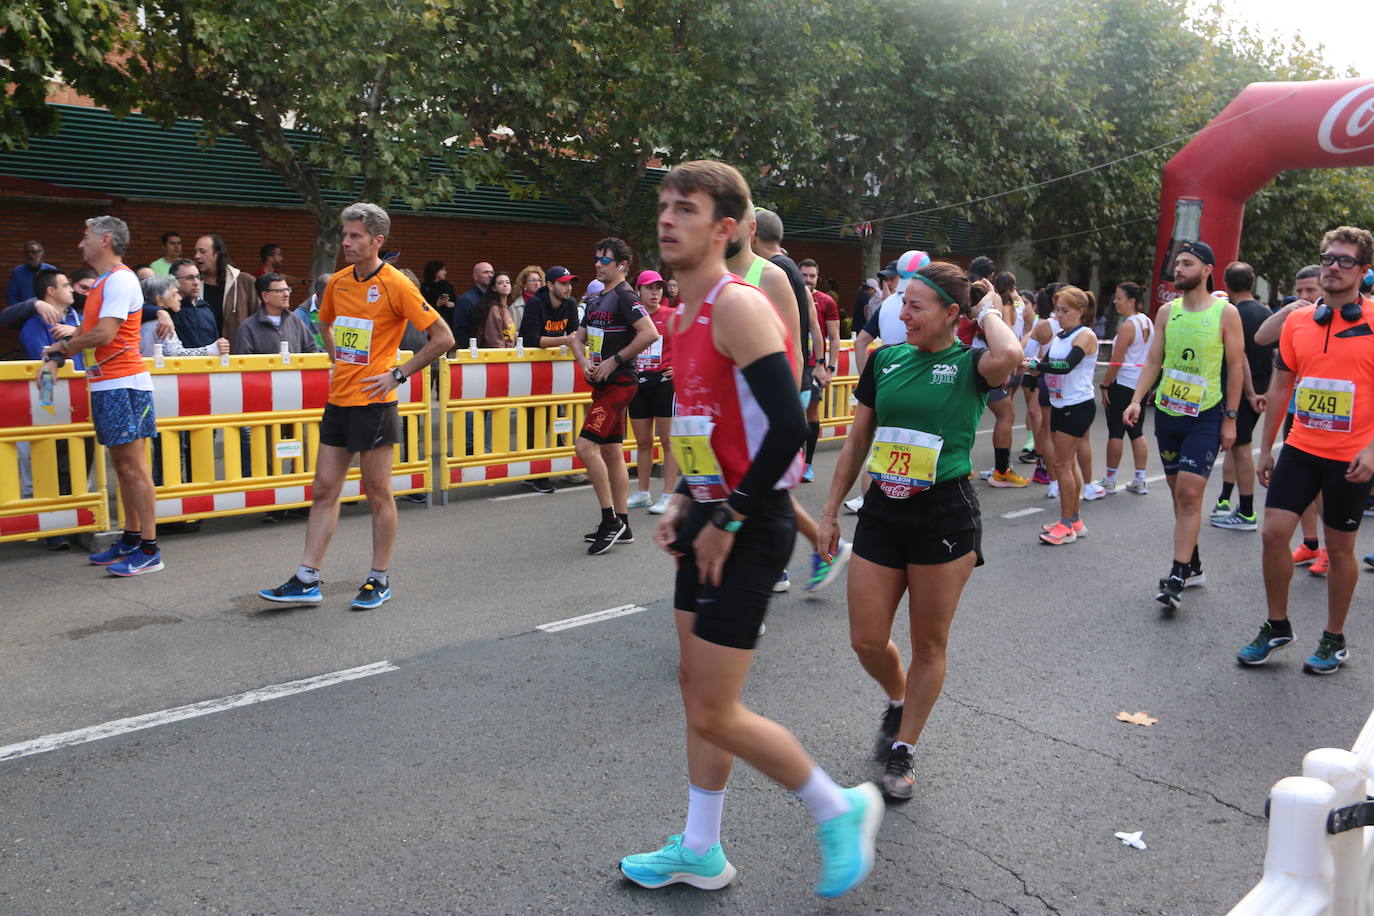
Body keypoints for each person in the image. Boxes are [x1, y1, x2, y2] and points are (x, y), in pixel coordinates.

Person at [619, 160, 881, 899]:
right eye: (665, 206)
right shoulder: (679, 314)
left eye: (688, 209)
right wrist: (682, 500)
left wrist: (726, 514)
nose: (668, 219)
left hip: (752, 516)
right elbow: (707, 421)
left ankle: (841, 806)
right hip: (709, 509)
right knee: (693, 686)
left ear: (724, 227)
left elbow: (792, 428)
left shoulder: (738, 306)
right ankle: (701, 849)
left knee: (715, 706)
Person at [820, 259, 1019, 800]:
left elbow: (1012, 355)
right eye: (901, 302)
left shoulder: (971, 364)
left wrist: (988, 309)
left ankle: (904, 750)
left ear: (951, 313)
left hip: (944, 515)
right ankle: (899, 697)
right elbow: (857, 442)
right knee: (865, 637)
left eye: (914, 305)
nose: (901, 313)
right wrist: (831, 511)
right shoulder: (886, 360)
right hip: (884, 507)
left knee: (928, 643)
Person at [258, 203, 453, 609]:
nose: (345, 242)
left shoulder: (396, 284)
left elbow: (443, 336)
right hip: (339, 400)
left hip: (374, 403)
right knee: (324, 488)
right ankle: (306, 577)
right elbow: (325, 323)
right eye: (344, 235)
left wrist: (398, 374)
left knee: (378, 492)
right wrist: (336, 359)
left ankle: (379, 578)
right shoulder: (340, 282)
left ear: (376, 241)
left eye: (354, 236)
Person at [1237, 227, 1374, 674]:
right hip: (1300, 446)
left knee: (1338, 551)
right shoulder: (1298, 322)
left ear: (1364, 271)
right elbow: (1280, 386)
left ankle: (1334, 638)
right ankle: (1277, 626)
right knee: (1273, 533)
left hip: (1351, 455)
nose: (1333, 266)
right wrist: (1267, 448)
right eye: (1327, 258)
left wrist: (1373, 449)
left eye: (1345, 261)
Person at [1123, 240, 1245, 609]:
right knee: (1181, 496)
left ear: (1207, 270)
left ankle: (1177, 574)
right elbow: (1154, 361)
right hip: (1169, 414)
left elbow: (1237, 367)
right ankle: (1193, 563)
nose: (1178, 269)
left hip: (1205, 416)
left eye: (1187, 264)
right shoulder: (1166, 312)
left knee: (1191, 494)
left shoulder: (1226, 313)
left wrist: (1231, 418)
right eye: (1177, 264)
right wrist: (1135, 399)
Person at [41, 217, 163, 576]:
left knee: (134, 467)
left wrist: (61, 347)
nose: (80, 244)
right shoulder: (105, 283)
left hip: (123, 381)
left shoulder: (121, 279)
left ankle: (149, 548)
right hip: (109, 382)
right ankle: (131, 538)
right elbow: (88, 330)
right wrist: (59, 353)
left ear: (105, 240)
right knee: (124, 467)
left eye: (85, 237)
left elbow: (104, 333)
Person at [746, 208, 850, 592]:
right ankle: (805, 555)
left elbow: (800, 326)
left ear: (754, 234)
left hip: (781, 383)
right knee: (765, 485)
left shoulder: (776, 270)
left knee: (767, 485)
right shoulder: (778, 268)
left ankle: (776, 565)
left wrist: (805, 372)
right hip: (783, 381)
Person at [572, 238, 659, 554]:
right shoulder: (596, 300)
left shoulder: (625, 295)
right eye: (596, 258)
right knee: (610, 451)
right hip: (600, 385)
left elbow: (650, 332)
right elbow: (577, 339)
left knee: (585, 446)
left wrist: (614, 360)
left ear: (622, 266)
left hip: (620, 383)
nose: (597, 263)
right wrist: (585, 362)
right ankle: (623, 523)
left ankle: (610, 520)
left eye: (604, 260)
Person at [1255, 265, 1329, 573]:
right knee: (1305, 485)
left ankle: (1330, 548)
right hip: (1299, 412)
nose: (1303, 297)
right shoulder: (1297, 319)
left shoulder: (1347, 317)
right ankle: (1311, 544)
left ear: (1325, 288)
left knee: (1325, 490)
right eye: (1298, 291)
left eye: (1310, 291)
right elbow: (1261, 337)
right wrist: (1288, 310)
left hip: (1338, 422)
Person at [1032, 286, 1099, 545]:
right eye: (1057, 310)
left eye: (1064, 311)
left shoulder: (1086, 335)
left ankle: (1066, 525)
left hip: (1077, 406)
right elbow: (1044, 365)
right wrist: (1028, 368)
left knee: (1062, 465)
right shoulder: (1061, 336)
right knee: (1068, 464)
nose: (1058, 315)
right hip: (1060, 404)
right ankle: (1075, 521)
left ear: (1081, 311)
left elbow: (1064, 366)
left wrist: (1038, 366)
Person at [1210, 262, 1272, 530]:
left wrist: (1249, 393)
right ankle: (1224, 499)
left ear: (1226, 283)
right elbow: (1277, 355)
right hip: (1262, 385)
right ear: (1252, 281)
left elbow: (1240, 357)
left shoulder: (1230, 313)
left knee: (1242, 449)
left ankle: (1246, 512)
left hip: (1241, 388)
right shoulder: (1267, 312)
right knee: (1236, 447)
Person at [626, 269, 678, 514]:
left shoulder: (672, 315)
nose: (655, 293)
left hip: (664, 383)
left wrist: (679, 367)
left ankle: (669, 495)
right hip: (638, 381)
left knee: (668, 441)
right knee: (643, 441)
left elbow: (691, 343)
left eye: (659, 288)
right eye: (649, 288)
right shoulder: (632, 318)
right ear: (639, 290)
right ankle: (643, 492)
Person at [1098, 282, 1152, 495]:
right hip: (1140, 385)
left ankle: (1110, 480)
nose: (1115, 302)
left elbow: (1116, 361)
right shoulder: (1148, 322)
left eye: (1119, 297)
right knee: (1137, 432)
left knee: (1116, 432)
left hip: (1123, 385)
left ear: (1131, 300)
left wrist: (1105, 385)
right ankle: (1140, 479)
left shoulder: (1128, 326)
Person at [979, 271, 1031, 487]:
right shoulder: (1003, 305)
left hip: (989, 362)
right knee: (1006, 414)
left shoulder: (994, 302)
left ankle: (998, 469)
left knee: (984, 413)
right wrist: (1006, 370)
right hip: (993, 364)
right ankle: (1001, 471)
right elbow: (1005, 336)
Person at [799, 258, 841, 480]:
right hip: (792, 363)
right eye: (804, 275)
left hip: (815, 366)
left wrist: (829, 368)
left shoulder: (826, 302)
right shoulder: (789, 295)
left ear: (818, 277)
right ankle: (792, 459)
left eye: (812, 276)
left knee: (811, 412)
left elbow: (834, 338)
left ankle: (807, 463)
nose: (808, 280)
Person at [139, 274, 227, 358]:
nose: (180, 298)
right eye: (174, 294)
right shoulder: (163, 323)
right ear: (160, 300)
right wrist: (211, 350)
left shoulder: (142, 320)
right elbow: (175, 354)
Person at [193, 234, 257, 343]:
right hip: (203, 355)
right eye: (196, 252)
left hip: (237, 354)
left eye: (202, 251)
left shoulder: (245, 282)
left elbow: (259, 318)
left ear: (217, 254)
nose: (197, 256)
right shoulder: (193, 284)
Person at [450, 261, 493, 348]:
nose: (490, 275)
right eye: (486, 272)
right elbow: (460, 330)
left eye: (492, 272)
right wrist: (470, 350)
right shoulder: (465, 300)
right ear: (475, 276)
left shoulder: (496, 298)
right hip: (475, 352)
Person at [470, 271, 517, 349]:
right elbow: (495, 341)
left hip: (510, 354)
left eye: (508, 282)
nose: (505, 285)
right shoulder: (494, 309)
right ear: (494, 288)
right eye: (500, 283)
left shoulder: (505, 308)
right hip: (499, 356)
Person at [6, 240, 55, 307]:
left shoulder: (51, 270)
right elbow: (11, 296)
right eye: (27, 252)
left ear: (41, 254)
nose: (30, 255)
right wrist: (19, 310)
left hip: (47, 312)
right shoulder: (17, 272)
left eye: (34, 252)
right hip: (24, 313)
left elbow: (57, 292)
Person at [420, 260, 456, 328]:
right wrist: (437, 304)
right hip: (431, 320)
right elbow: (422, 305)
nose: (445, 272)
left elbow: (455, 300)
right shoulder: (424, 287)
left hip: (447, 320)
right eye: (442, 270)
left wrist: (452, 304)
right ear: (435, 271)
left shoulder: (447, 285)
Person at [511, 265, 543, 330]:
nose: (537, 283)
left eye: (539, 280)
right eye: (533, 280)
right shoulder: (515, 308)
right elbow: (512, 333)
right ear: (524, 284)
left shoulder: (546, 303)